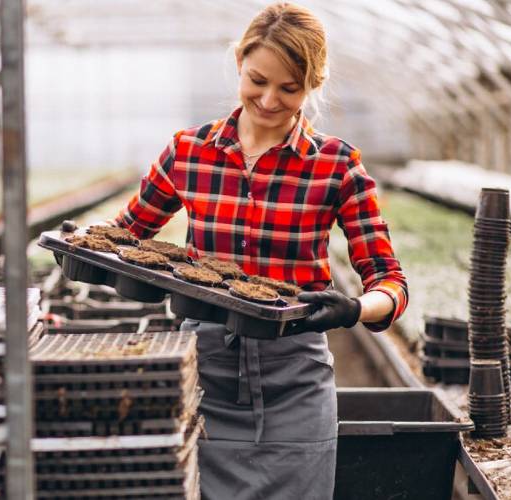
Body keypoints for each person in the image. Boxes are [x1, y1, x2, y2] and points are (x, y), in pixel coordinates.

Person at [112, 3, 408, 498]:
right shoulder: (189, 152)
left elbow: (390, 281)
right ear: (239, 62)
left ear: (313, 84)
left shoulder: (336, 167)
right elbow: (123, 237)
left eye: (289, 88)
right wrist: (91, 253)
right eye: (257, 80)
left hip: (296, 373)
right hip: (203, 371)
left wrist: (355, 308)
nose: (269, 100)